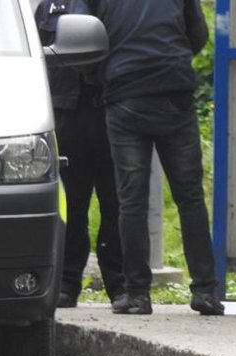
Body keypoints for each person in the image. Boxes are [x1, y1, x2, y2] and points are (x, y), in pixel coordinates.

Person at [91, 0, 223, 316]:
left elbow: (87, 41)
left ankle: (137, 295)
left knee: (132, 201)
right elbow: (199, 33)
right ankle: (205, 291)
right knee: (190, 197)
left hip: (125, 95)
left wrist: (106, 74)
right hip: (174, 90)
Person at [35, 0, 125, 308]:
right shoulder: (49, 7)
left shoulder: (119, 6)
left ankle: (121, 284)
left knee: (118, 204)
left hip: (111, 111)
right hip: (66, 116)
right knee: (70, 204)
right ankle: (67, 282)